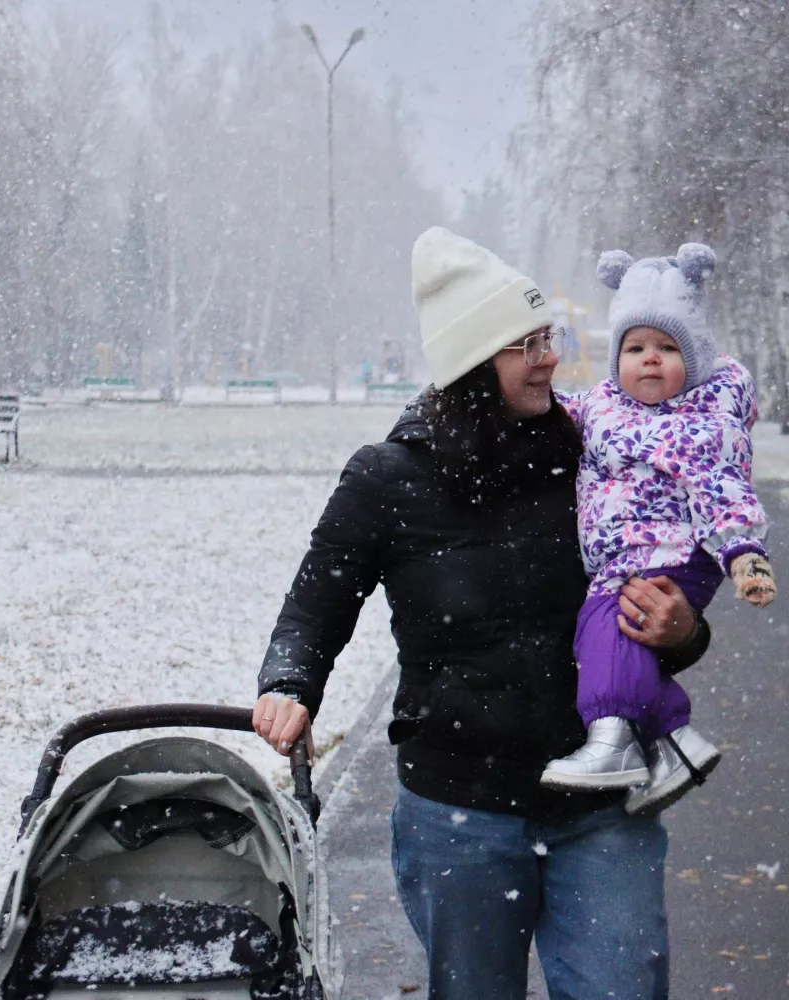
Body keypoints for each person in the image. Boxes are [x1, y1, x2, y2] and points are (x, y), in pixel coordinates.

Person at [251, 227, 713, 1000]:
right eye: (525, 344)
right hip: (458, 810)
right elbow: (317, 599)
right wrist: (291, 681)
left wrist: (684, 631)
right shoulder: (388, 478)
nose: (549, 357)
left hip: (601, 802)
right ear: (471, 362)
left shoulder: (593, 454)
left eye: (548, 338)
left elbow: (663, 585)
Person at [539, 244, 777, 816]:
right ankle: (672, 742)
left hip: (673, 554)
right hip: (624, 558)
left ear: (694, 359)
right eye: (636, 347)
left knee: (606, 628)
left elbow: (726, 490)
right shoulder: (602, 405)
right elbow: (557, 411)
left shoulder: (703, 423)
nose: (650, 359)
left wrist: (745, 554)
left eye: (667, 348)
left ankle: (616, 742)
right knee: (603, 638)